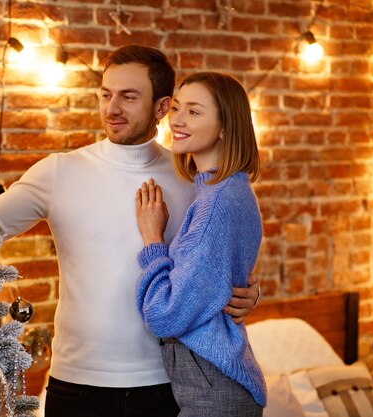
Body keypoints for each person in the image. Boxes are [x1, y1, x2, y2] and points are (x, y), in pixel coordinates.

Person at [0, 46, 260, 417]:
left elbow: (215, 257)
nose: (112, 109)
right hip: (77, 385)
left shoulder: (191, 179)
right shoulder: (59, 171)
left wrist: (248, 291)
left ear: (162, 107)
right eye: (106, 94)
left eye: (128, 97)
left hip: (166, 387)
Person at [134, 71, 266, 416]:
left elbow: (166, 316)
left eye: (194, 111)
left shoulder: (217, 202)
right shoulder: (222, 190)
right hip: (211, 382)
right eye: (176, 108)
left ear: (225, 126)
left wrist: (152, 241)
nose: (176, 119)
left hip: (214, 387)